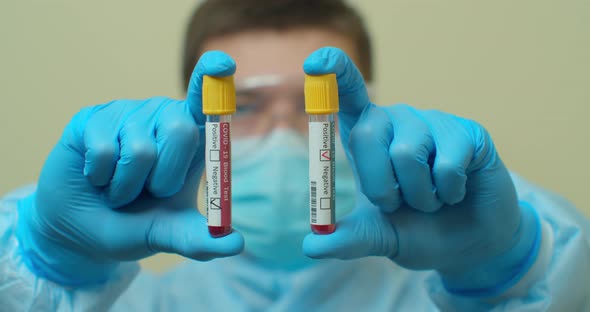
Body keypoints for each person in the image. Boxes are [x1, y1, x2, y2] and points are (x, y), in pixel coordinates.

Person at [1, 0, 589, 310]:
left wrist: (514, 269)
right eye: (246, 108)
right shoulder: (131, 305)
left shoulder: (448, 299)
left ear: (365, 109)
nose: (287, 135)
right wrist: (48, 263)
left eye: (316, 107)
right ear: (196, 119)